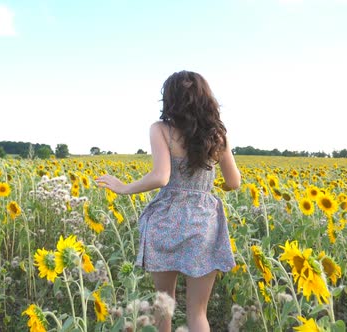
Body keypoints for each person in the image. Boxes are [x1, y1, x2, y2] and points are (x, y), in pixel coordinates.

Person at [95, 70, 241, 332]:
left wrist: (124, 187)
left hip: (166, 220)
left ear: (170, 99)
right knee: (198, 314)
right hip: (203, 221)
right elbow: (234, 183)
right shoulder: (218, 135)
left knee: (164, 306)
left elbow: (161, 177)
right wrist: (203, 187)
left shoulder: (161, 130)